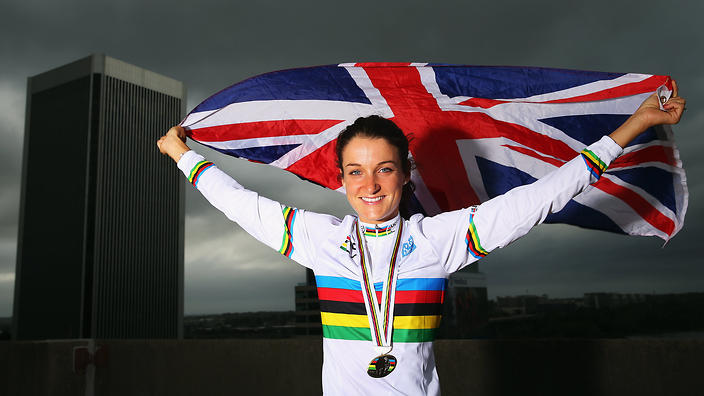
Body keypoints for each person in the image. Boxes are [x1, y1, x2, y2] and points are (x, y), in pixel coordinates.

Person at [157, 82, 685, 395]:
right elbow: (240, 203)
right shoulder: (317, 238)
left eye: (384, 169)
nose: (370, 185)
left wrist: (633, 126)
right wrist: (183, 154)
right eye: (356, 172)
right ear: (340, 179)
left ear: (405, 174)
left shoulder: (439, 239)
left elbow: (541, 197)